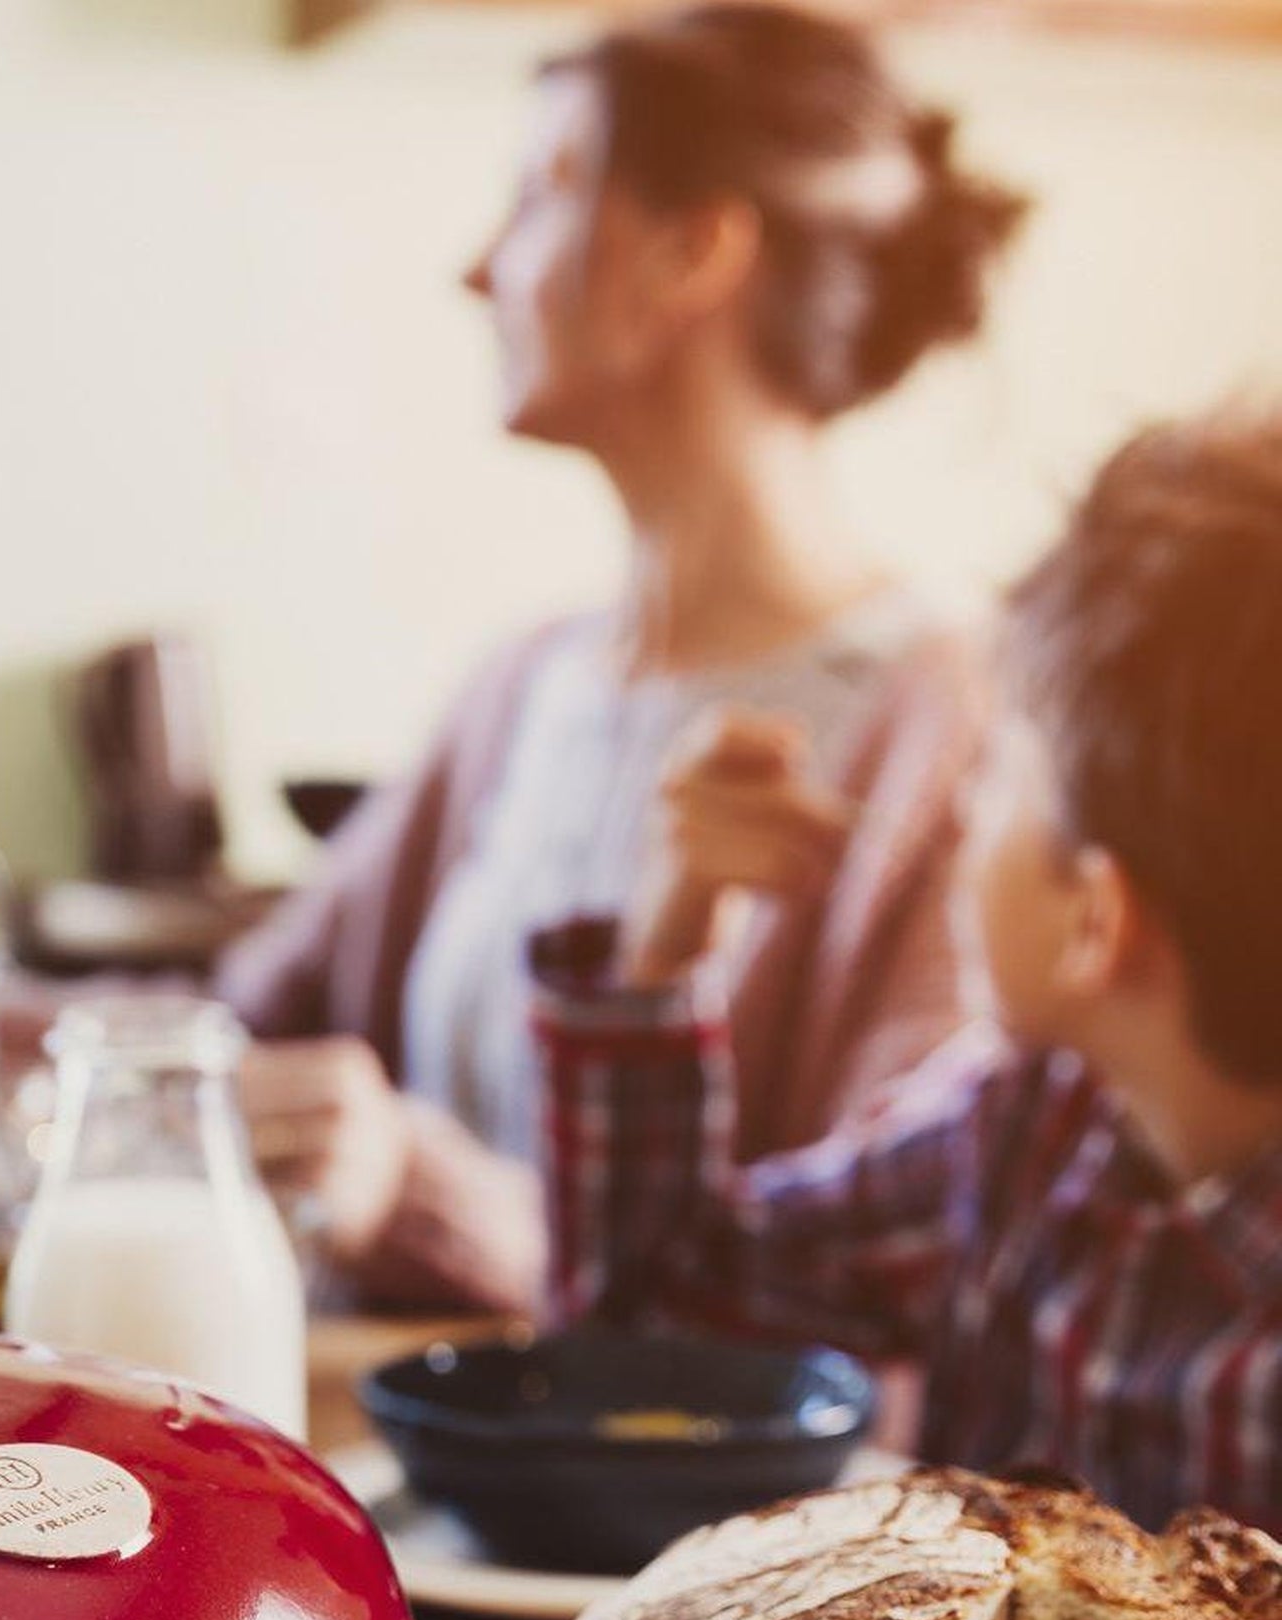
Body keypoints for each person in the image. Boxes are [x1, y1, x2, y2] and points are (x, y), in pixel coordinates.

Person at [222, 2, 1028, 1314]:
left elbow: (883, 1289)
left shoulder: (953, 726)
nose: (476, 270)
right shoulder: (523, 684)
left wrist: (421, 1194)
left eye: (541, 194)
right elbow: (244, 1018)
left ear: (690, 253)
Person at [536, 413, 1282, 1534]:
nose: (960, 818)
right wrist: (663, 946)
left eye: (994, 778)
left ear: (1096, 919)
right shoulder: (1019, 1127)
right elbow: (652, 1334)